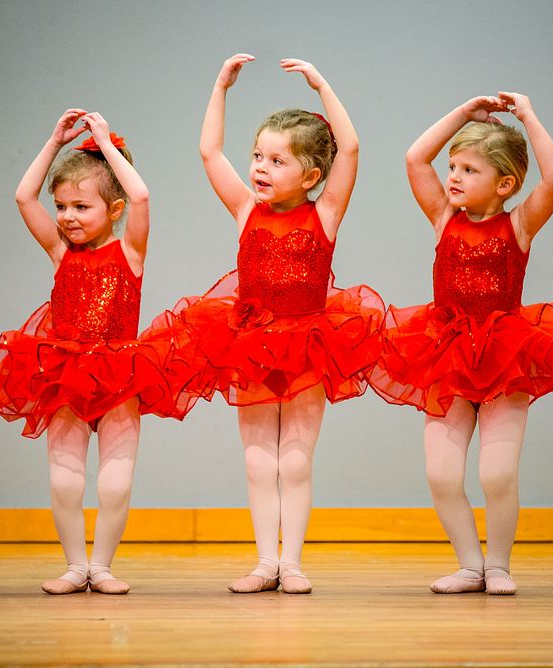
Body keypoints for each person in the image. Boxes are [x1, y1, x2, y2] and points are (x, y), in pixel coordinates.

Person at [157, 54, 383, 594]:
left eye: (276, 161)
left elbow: (349, 148)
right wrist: (220, 87)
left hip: (308, 341)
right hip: (250, 342)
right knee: (259, 463)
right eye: (257, 156)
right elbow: (209, 151)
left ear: (310, 174)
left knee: (296, 461)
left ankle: (294, 563)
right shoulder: (245, 209)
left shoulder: (324, 213)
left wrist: (322, 84)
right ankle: (265, 562)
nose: (259, 167)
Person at [369, 95, 553, 595]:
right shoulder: (442, 217)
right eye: (452, 166)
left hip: (503, 355)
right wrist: (461, 114)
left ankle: (498, 566)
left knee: (497, 475)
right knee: (442, 475)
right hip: (445, 353)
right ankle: (470, 565)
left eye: (468, 169)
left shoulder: (518, 225)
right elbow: (414, 158)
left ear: (505, 184)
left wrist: (530, 116)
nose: (453, 176)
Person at [0, 110, 190, 594]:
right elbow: (23, 197)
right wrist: (54, 142)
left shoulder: (131, 251)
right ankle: (75, 566)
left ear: (111, 212)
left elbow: (140, 194)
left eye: (81, 207)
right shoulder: (60, 252)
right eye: (64, 206)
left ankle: (103, 566)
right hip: (65, 371)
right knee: (65, 481)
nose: (68, 217)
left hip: (120, 373)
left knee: (114, 482)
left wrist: (105, 146)